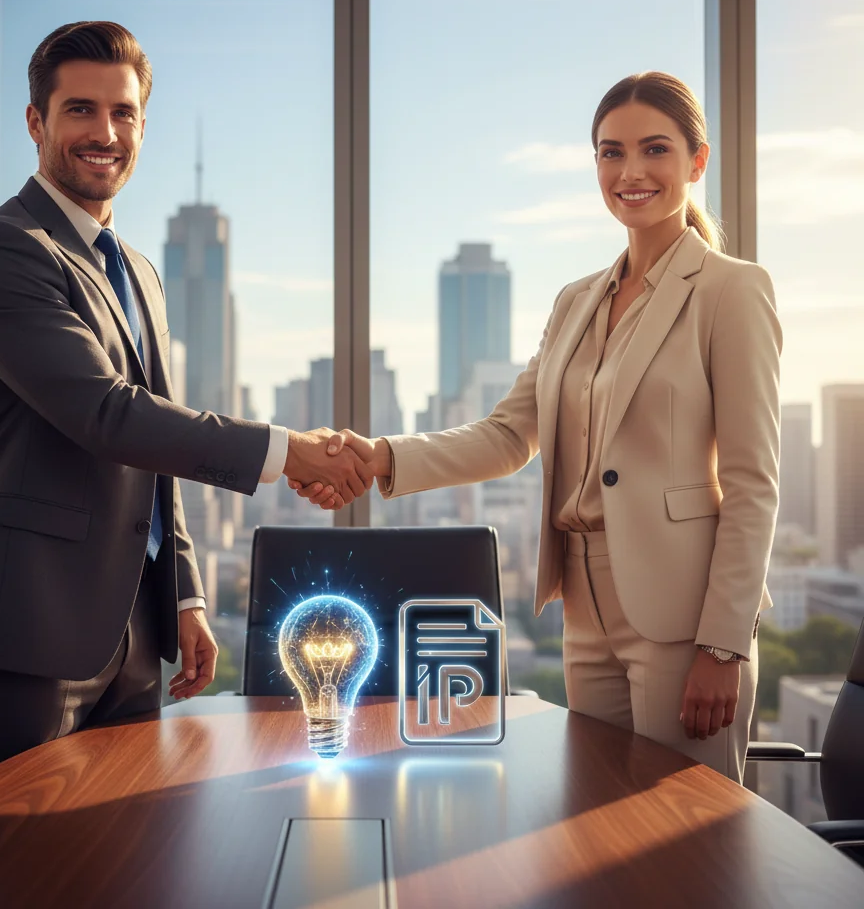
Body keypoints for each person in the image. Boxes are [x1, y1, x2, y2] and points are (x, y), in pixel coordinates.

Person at [293, 71, 781, 784]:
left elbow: (752, 484)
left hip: (682, 611)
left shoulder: (731, 290)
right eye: (611, 152)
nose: (631, 171)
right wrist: (381, 456)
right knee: (594, 813)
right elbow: (508, 435)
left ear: (697, 161)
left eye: (655, 149)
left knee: (685, 827)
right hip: (582, 604)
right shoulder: (575, 301)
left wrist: (724, 644)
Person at [0, 21, 369, 783]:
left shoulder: (138, 272)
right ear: (35, 122)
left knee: (122, 839)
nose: (105, 133)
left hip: (132, 631)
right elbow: (109, 415)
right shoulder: (2, 251)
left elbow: (154, 449)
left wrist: (184, 595)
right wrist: (290, 450)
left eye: (123, 113)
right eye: (80, 110)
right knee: (14, 847)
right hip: (25, 623)